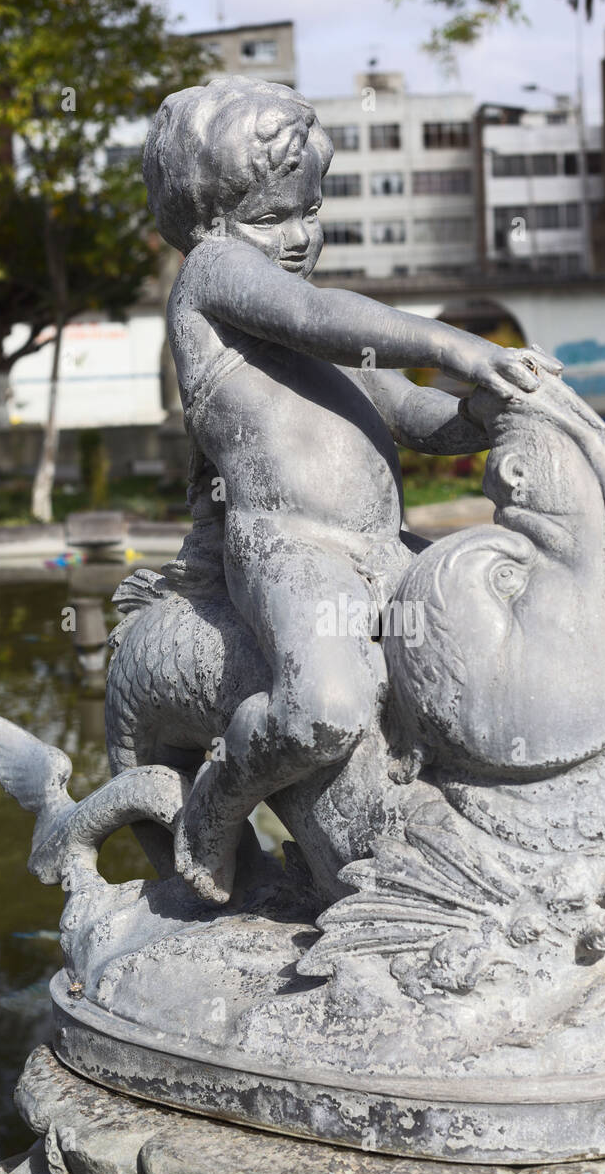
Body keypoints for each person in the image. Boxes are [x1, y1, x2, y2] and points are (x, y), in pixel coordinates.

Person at [142, 75, 557, 902]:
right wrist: (461, 346)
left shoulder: (306, 330)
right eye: (271, 219)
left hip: (386, 551)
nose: (296, 237)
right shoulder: (214, 278)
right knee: (324, 708)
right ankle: (216, 803)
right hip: (296, 552)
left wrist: (487, 416)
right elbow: (318, 315)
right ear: (208, 221)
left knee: (490, 660)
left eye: (309, 212)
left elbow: (408, 411)